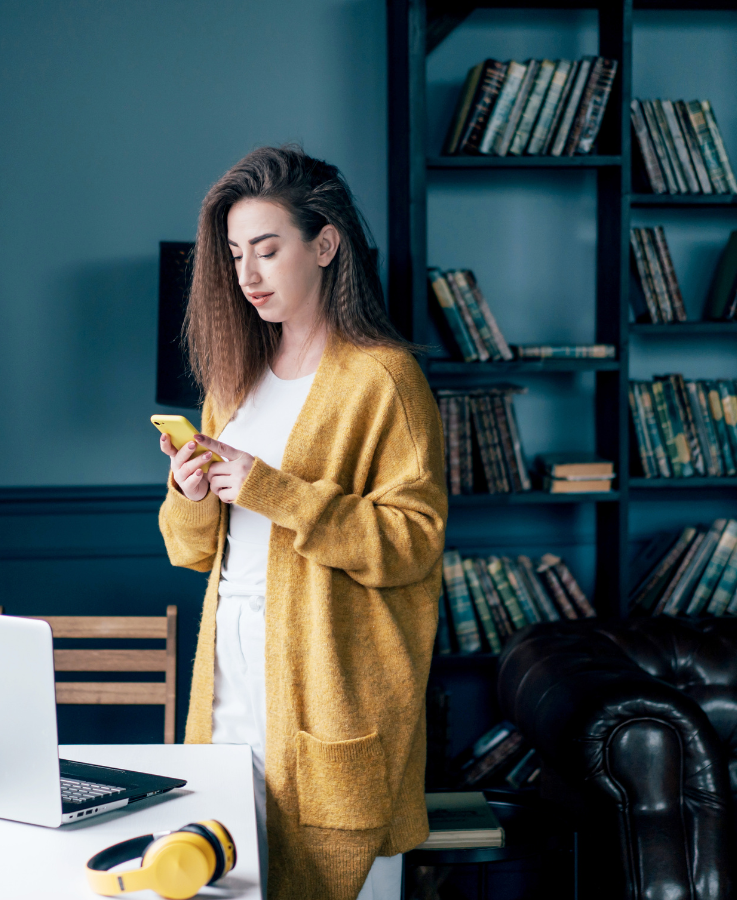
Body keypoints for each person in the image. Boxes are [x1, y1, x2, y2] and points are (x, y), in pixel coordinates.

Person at [157, 146, 447, 900]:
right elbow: (193, 553)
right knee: (225, 883)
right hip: (227, 683)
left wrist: (276, 491)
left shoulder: (382, 379)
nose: (247, 274)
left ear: (324, 245)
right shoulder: (234, 376)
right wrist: (191, 491)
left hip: (332, 691)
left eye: (267, 249)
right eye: (233, 253)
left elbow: (413, 544)